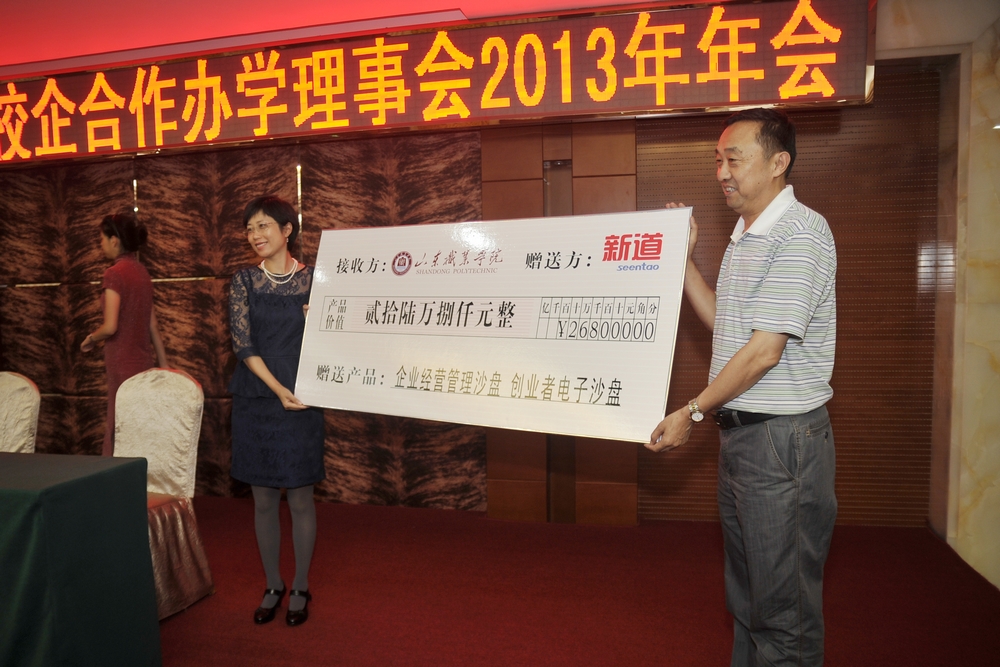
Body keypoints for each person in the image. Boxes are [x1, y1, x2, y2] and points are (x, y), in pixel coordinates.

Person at [648, 108, 837, 666]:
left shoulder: (801, 233)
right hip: (744, 440)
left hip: (782, 443)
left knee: (783, 613)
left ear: (779, 163)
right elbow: (726, 327)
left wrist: (692, 411)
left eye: (734, 159)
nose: (722, 173)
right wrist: (684, 263)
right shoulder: (745, 237)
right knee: (750, 600)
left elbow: (763, 352)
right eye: (717, 160)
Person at [228, 195, 325, 627]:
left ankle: (300, 585)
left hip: (303, 396)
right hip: (258, 394)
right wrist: (277, 389)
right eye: (250, 228)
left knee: (301, 496)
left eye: (263, 225)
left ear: (287, 230)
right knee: (263, 498)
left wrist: (318, 321)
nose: (255, 235)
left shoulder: (316, 280)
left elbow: (338, 338)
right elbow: (242, 344)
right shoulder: (244, 281)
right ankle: (273, 583)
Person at [81, 212, 168, 456]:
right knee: (139, 427)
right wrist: (164, 366)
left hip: (121, 362)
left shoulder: (114, 273)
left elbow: (110, 326)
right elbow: (153, 325)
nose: (100, 244)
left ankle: (114, 478)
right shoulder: (142, 272)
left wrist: (90, 339)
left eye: (101, 238)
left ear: (114, 240)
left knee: (118, 425)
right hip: (143, 363)